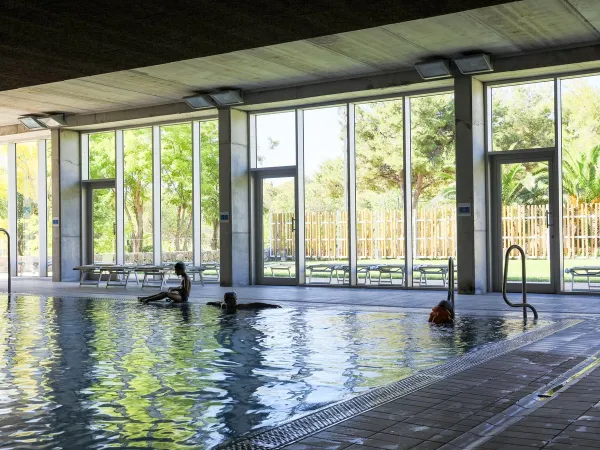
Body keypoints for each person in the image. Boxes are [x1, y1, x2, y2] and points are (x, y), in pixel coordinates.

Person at [207, 292, 281, 313]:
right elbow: (214, 303)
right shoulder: (222, 305)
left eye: (231, 300)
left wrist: (271, 305)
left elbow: (256, 304)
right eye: (228, 300)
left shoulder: (239, 307)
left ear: (235, 300)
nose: (230, 302)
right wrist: (211, 303)